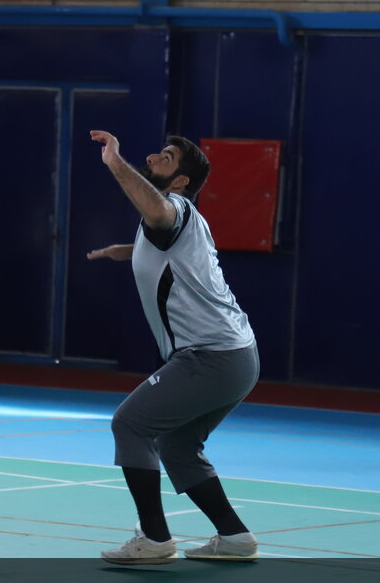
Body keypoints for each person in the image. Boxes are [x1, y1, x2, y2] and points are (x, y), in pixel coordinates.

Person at [87, 130, 260, 565]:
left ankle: (155, 538)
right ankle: (235, 537)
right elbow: (168, 244)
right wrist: (126, 251)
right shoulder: (184, 223)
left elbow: (158, 211)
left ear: (181, 181)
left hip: (210, 355)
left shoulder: (175, 208)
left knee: (130, 424)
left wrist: (115, 163)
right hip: (238, 356)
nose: (152, 157)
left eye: (165, 157)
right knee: (178, 447)